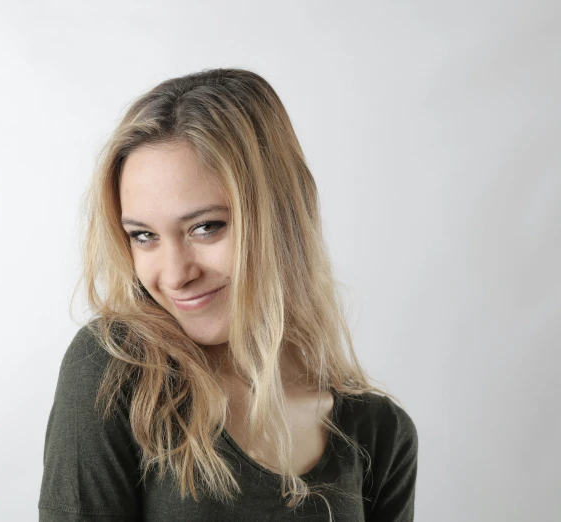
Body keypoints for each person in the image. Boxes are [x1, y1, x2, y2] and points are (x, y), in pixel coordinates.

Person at [38, 68, 418, 522]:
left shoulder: (379, 433)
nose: (176, 275)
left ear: (281, 215)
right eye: (144, 236)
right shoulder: (116, 370)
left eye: (206, 227)